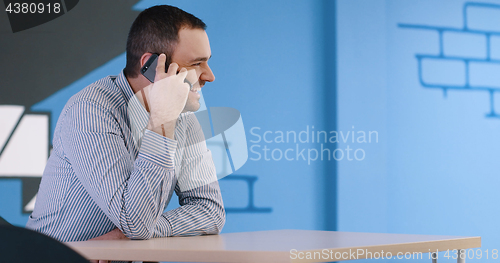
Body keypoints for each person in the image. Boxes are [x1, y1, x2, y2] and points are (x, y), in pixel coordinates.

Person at [26, 5, 225, 243]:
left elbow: (211, 212)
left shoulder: (183, 120)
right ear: (151, 67)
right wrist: (163, 120)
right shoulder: (90, 110)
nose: (210, 76)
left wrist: (131, 233)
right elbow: (136, 224)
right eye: (196, 64)